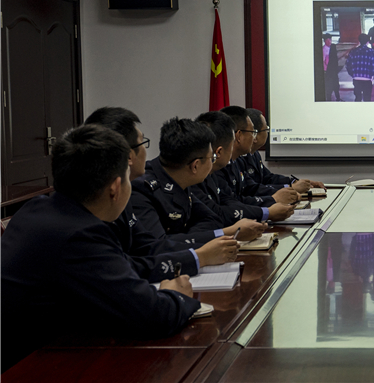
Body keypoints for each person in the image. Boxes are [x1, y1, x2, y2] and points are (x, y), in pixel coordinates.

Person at [1, 124, 200, 371]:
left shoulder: (39, 208)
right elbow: (153, 316)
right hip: (29, 367)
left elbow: (121, 266)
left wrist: (187, 262)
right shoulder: (80, 236)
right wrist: (177, 295)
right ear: (115, 188)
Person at [86, 107, 238, 282]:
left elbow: (150, 246)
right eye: (142, 143)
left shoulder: (123, 192)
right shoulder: (136, 189)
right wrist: (200, 255)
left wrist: (202, 251)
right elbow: (129, 264)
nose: (146, 151)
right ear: (128, 156)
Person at [131, 117, 264, 244]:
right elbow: (158, 245)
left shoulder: (181, 179)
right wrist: (225, 233)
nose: (213, 163)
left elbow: (212, 219)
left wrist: (186, 238)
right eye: (212, 158)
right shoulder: (142, 189)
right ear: (195, 166)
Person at [192, 111, 294, 224]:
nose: (254, 138)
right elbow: (217, 213)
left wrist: (266, 210)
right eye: (252, 132)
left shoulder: (214, 172)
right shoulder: (198, 177)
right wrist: (266, 211)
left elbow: (231, 201)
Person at [217, 105, 299, 205]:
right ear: (238, 136)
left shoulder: (237, 161)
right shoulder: (218, 166)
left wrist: (288, 189)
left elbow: (251, 186)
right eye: (253, 132)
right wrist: (272, 201)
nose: (253, 137)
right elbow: (231, 203)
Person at [241, 108, 325, 192]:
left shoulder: (254, 153)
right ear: (255, 135)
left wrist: (295, 182)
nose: (268, 132)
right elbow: (252, 189)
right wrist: (290, 187)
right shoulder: (239, 158)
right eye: (266, 129)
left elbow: (268, 178)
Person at [345, 33, 374, 102]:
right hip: (367, 79)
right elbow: (373, 65)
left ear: (359, 41)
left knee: (358, 98)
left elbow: (348, 64)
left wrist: (353, 74)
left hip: (356, 78)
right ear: (367, 42)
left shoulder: (353, 51)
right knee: (367, 98)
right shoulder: (371, 51)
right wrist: (372, 75)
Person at [322, 33, 341, 101]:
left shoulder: (333, 47)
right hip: (328, 71)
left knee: (336, 85)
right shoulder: (324, 50)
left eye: (330, 40)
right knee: (329, 86)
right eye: (327, 40)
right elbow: (324, 61)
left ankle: (338, 98)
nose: (329, 41)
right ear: (325, 41)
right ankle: (329, 99)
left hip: (334, 70)